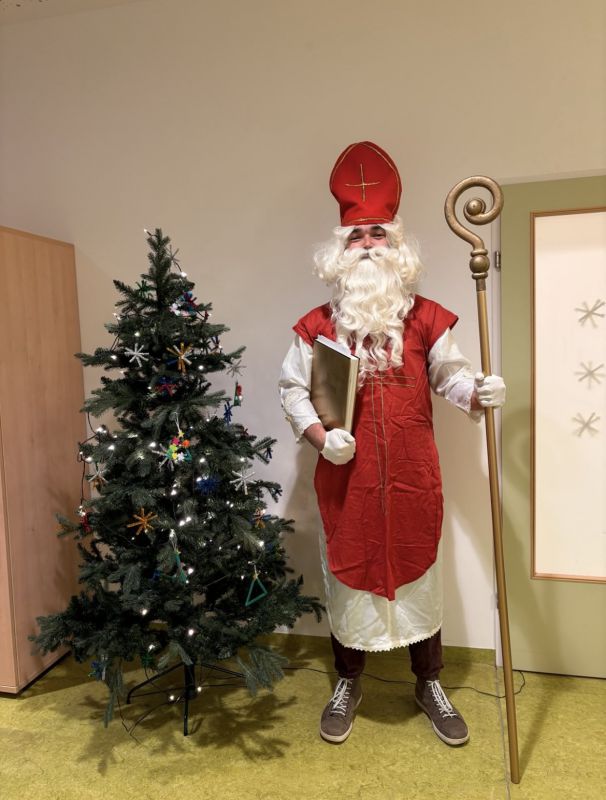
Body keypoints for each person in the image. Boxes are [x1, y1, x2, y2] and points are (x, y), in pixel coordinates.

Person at [279, 141, 505, 746]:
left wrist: (478, 391)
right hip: (346, 480)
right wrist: (320, 436)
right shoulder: (316, 327)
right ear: (340, 250)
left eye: (378, 233)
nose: (368, 244)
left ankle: (429, 682)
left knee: (418, 575)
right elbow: (292, 391)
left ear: (396, 245)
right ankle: (347, 681)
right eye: (357, 236)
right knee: (350, 579)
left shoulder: (426, 317)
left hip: (411, 478)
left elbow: (450, 377)